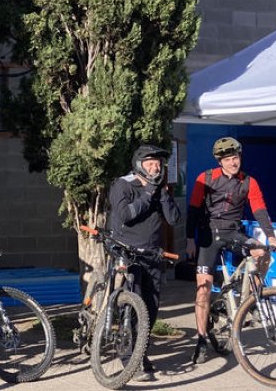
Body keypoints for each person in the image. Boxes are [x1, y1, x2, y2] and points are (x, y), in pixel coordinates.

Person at [186, 136, 276, 364]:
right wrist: (190, 239)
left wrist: (270, 236)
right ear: (220, 161)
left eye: (236, 157)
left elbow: (259, 210)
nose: (233, 162)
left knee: (262, 253)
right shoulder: (206, 178)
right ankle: (201, 340)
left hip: (233, 232)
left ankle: (251, 299)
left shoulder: (249, 181)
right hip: (209, 235)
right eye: (228, 159)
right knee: (203, 289)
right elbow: (193, 210)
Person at [107, 144, 180, 381]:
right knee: (132, 306)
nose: (155, 167)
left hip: (153, 255)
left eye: (158, 164)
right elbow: (126, 215)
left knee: (150, 308)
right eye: (151, 163)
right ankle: (130, 360)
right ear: (139, 164)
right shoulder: (124, 185)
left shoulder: (158, 188)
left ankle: (141, 352)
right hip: (129, 254)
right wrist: (149, 192)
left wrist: (163, 193)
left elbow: (174, 218)